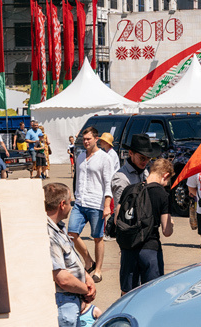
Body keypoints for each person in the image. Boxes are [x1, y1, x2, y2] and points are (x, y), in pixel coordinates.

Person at [43, 182, 95, 327]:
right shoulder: (48, 234)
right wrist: (86, 289)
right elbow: (62, 279)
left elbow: (72, 261)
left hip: (72, 303)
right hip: (63, 303)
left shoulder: (59, 228)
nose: (72, 206)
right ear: (62, 204)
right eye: (70, 202)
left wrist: (87, 278)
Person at [118, 158, 174, 295]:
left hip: (128, 248)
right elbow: (166, 231)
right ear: (165, 175)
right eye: (168, 180)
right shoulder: (162, 194)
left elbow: (116, 220)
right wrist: (171, 223)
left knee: (127, 294)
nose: (166, 184)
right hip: (150, 249)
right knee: (152, 294)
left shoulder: (129, 189)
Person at [70, 126, 115, 283]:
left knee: (97, 238)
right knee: (71, 233)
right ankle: (89, 261)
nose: (86, 142)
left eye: (88, 139)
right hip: (80, 202)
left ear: (96, 139)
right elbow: (78, 179)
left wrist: (107, 205)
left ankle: (98, 270)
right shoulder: (81, 157)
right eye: (84, 139)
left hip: (96, 203)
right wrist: (75, 195)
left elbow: (108, 183)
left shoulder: (104, 158)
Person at [112, 134, 159, 223]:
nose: (145, 162)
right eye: (142, 158)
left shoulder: (144, 172)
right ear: (131, 153)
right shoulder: (121, 178)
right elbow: (119, 212)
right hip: (129, 225)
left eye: (148, 158)